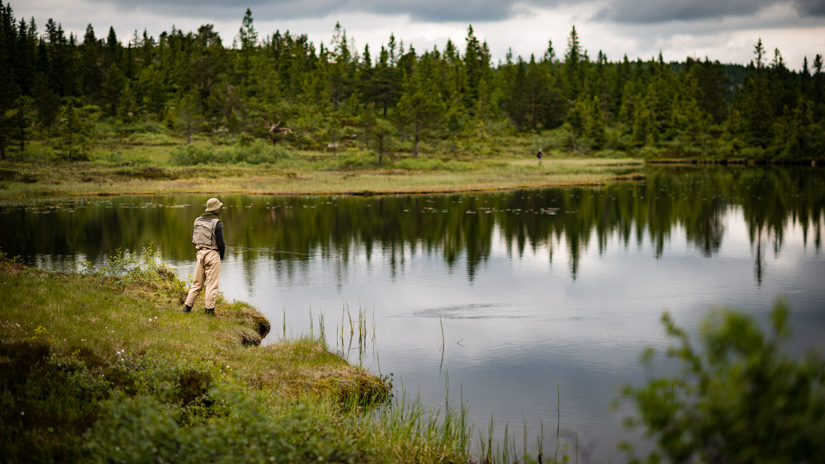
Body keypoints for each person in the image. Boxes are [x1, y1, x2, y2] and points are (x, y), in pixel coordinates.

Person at [183, 197, 226, 316]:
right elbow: (221, 244)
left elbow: (194, 237)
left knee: (197, 283)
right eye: (219, 207)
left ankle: (187, 308)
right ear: (216, 209)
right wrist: (221, 256)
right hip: (213, 255)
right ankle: (209, 311)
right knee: (212, 284)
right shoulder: (216, 223)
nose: (220, 208)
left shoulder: (197, 220)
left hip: (200, 253)